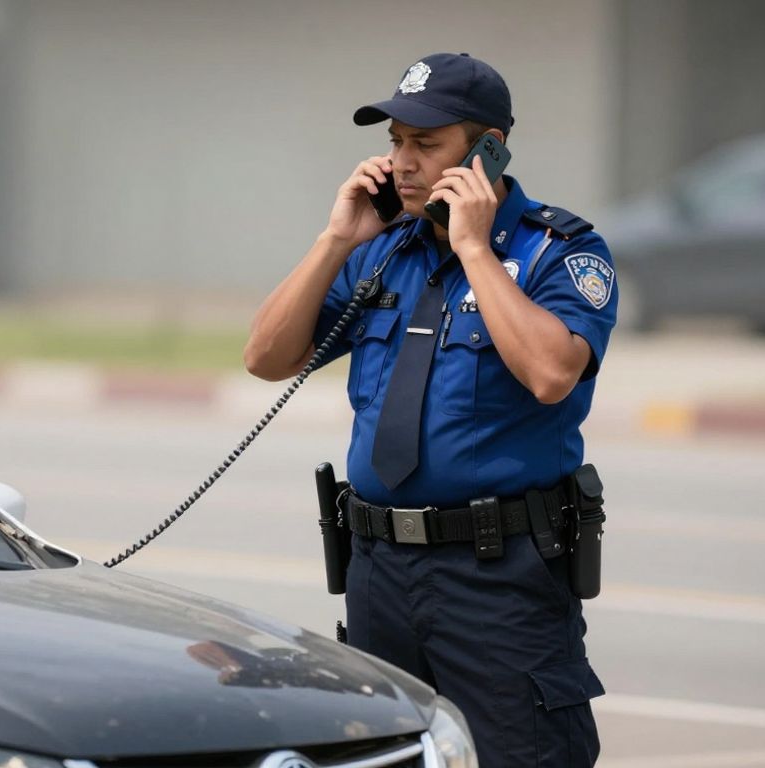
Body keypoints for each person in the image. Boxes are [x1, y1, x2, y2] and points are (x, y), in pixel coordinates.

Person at [244, 52, 616, 767]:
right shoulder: (382, 251)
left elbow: (551, 375)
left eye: (425, 143)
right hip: (378, 572)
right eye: (394, 142)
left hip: (498, 580)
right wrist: (336, 240)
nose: (402, 163)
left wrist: (474, 248)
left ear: (488, 150)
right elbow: (266, 357)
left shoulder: (557, 253)